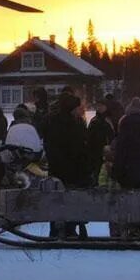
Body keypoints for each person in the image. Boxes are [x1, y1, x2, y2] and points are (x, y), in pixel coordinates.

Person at [44, 93, 89, 238]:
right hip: (69, 169)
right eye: (78, 107)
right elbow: (76, 147)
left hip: (63, 168)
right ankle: (66, 228)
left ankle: (63, 228)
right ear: (72, 108)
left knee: (60, 199)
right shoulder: (70, 124)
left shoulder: (59, 122)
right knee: (68, 198)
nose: (81, 110)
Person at [111, 98, 140, 237]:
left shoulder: (124, 130)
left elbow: (120, 155)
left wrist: (116, 173)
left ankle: (127, 229)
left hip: (127, 173)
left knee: (126, 202)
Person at [87, 99, 116, 185]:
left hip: (106, 152)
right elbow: (89, 135)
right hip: (94, 152)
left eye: (101, 106)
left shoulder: (109, 120)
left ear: (106, 107)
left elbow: (112, 136)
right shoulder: (94, 120)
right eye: (98, 106)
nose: (99, 108)